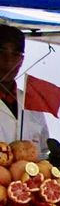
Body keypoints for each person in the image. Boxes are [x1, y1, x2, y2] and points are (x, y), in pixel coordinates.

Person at [0, 25, 50, 156]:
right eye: (2, 52)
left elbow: (43, 152)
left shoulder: (32, 104)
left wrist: (54, 161)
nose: (8, 60)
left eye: (15, 54)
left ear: (21, 60)